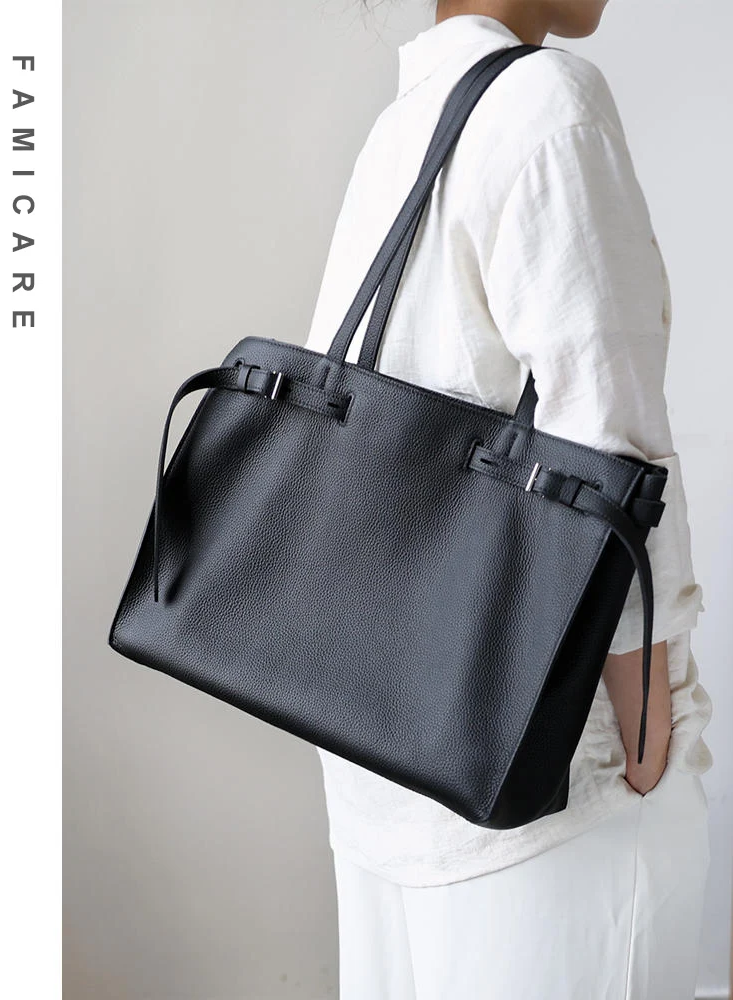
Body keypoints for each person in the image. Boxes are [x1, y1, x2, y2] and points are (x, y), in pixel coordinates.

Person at [304, 2, 714, 997]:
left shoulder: (403, 120)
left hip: (380, 756)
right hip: (548, 777)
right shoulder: (546, 102)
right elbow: (606, 444)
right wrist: (648, 732)